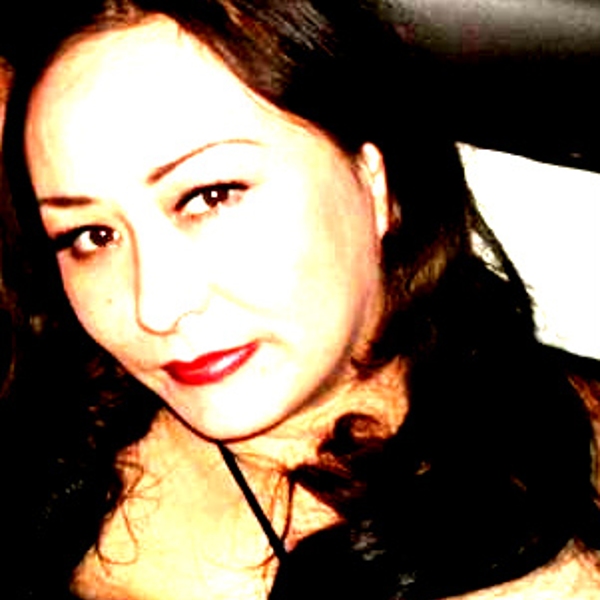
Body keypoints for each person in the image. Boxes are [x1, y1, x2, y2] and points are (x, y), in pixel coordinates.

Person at [1, 0, 600, 598]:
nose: (155, 308)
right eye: (91, 236)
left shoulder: (567, 534)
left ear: (373, 181)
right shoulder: (53, 439)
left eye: (211, 195)